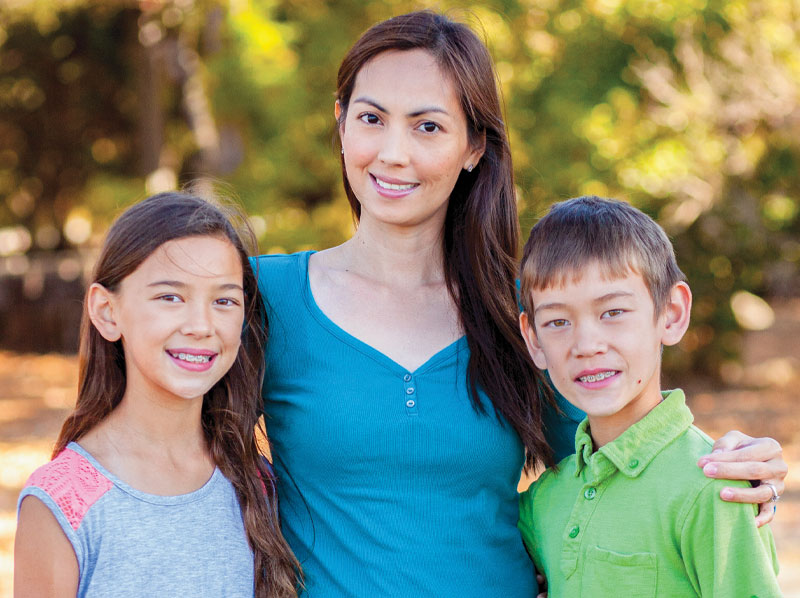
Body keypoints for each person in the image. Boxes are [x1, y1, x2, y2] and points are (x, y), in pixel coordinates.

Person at [251, 10, 786, 597]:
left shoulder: (525, 319)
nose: (393, 152)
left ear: (475, 146)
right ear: (342, 122)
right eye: (371, 118)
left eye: (428, 127)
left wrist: (733, 470)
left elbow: (618, 460)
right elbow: (169, 447)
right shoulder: (266, 296)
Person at [14, 192, 301, 598]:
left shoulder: (256, 482)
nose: (201, 325)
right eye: (170, 297)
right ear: (106, 311)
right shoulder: (62, 503)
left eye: (224, 300)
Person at [517, 196, 782, 596]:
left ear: (671, 314)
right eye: (557, 321)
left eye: (613, 312)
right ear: (533, 340)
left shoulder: (714, 490)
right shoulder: (545, 500)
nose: (586, 344)